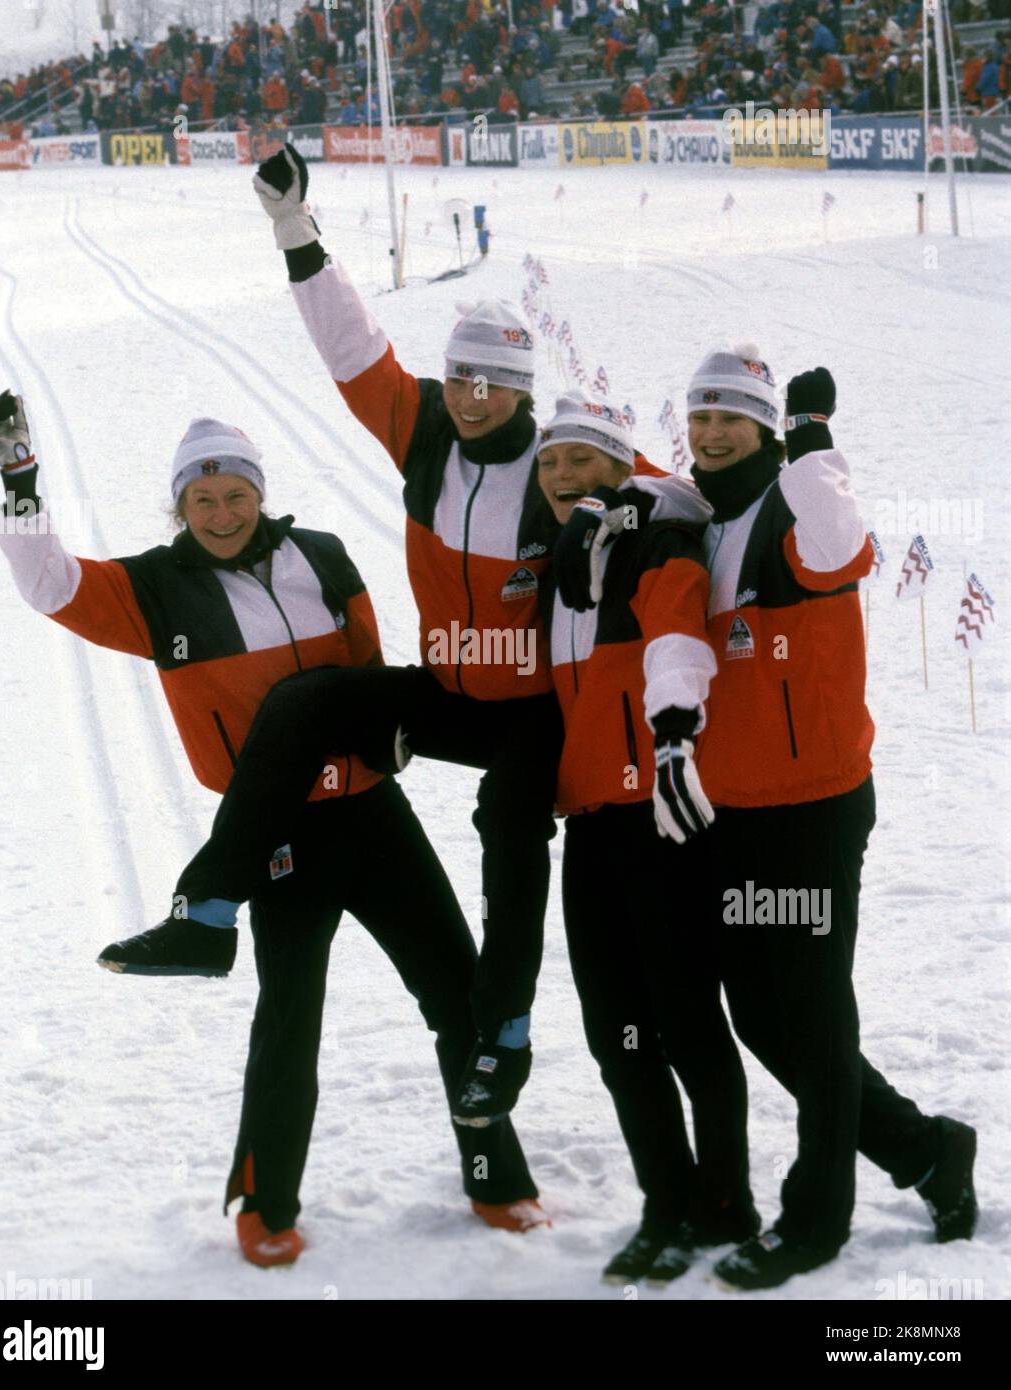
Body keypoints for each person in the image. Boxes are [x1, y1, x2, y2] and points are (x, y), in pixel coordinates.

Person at [0, 392, 545, 1263]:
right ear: (179, 507)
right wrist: (22, 482)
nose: (220, 512)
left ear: (258, 493)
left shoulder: (320, 555)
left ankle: (496, 1176)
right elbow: (50, 585)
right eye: (201, 500)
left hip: (370, 812)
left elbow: (363, 673)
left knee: (458, 989)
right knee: (290, 1017)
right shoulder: (155, 588)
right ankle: (264, 1202)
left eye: (235, 494)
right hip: (276, 830)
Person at [104, 144, 567, 1130]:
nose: (476, 395)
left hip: (527, 711)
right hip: (446, 689)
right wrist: (293, 230)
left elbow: (676, 500)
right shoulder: (425, 430)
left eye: (496, 382)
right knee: (307, 704)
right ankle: (208, 913)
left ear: (525, 389)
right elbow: (352, 347)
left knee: (510, 836)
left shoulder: (564, 464)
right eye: (463, 379)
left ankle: (504, 1034)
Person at [555, 347, 979, 1289]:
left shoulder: (793, 505)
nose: (711, 434)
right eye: (700, 417)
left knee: (815, 1016)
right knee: (763, 1018)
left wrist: (817, 444)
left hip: (815, 808)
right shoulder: (699, 517)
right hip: (733, 812)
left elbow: (842, 548)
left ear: (766, 428)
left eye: (731, 419)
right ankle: (928, 1150)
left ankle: (816, 1220)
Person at [540, 392, 760, 1284]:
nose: (563, 476)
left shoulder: (656, 537)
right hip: (591, 826)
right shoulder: (567, 561)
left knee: (686, 1022)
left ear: (621, 465)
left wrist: (672, 735)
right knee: (617, 1032)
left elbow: (677, 622)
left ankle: (725, 1200)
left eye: (583, 459)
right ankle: (668, 1200)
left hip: (662, 818)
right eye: (552, 462)